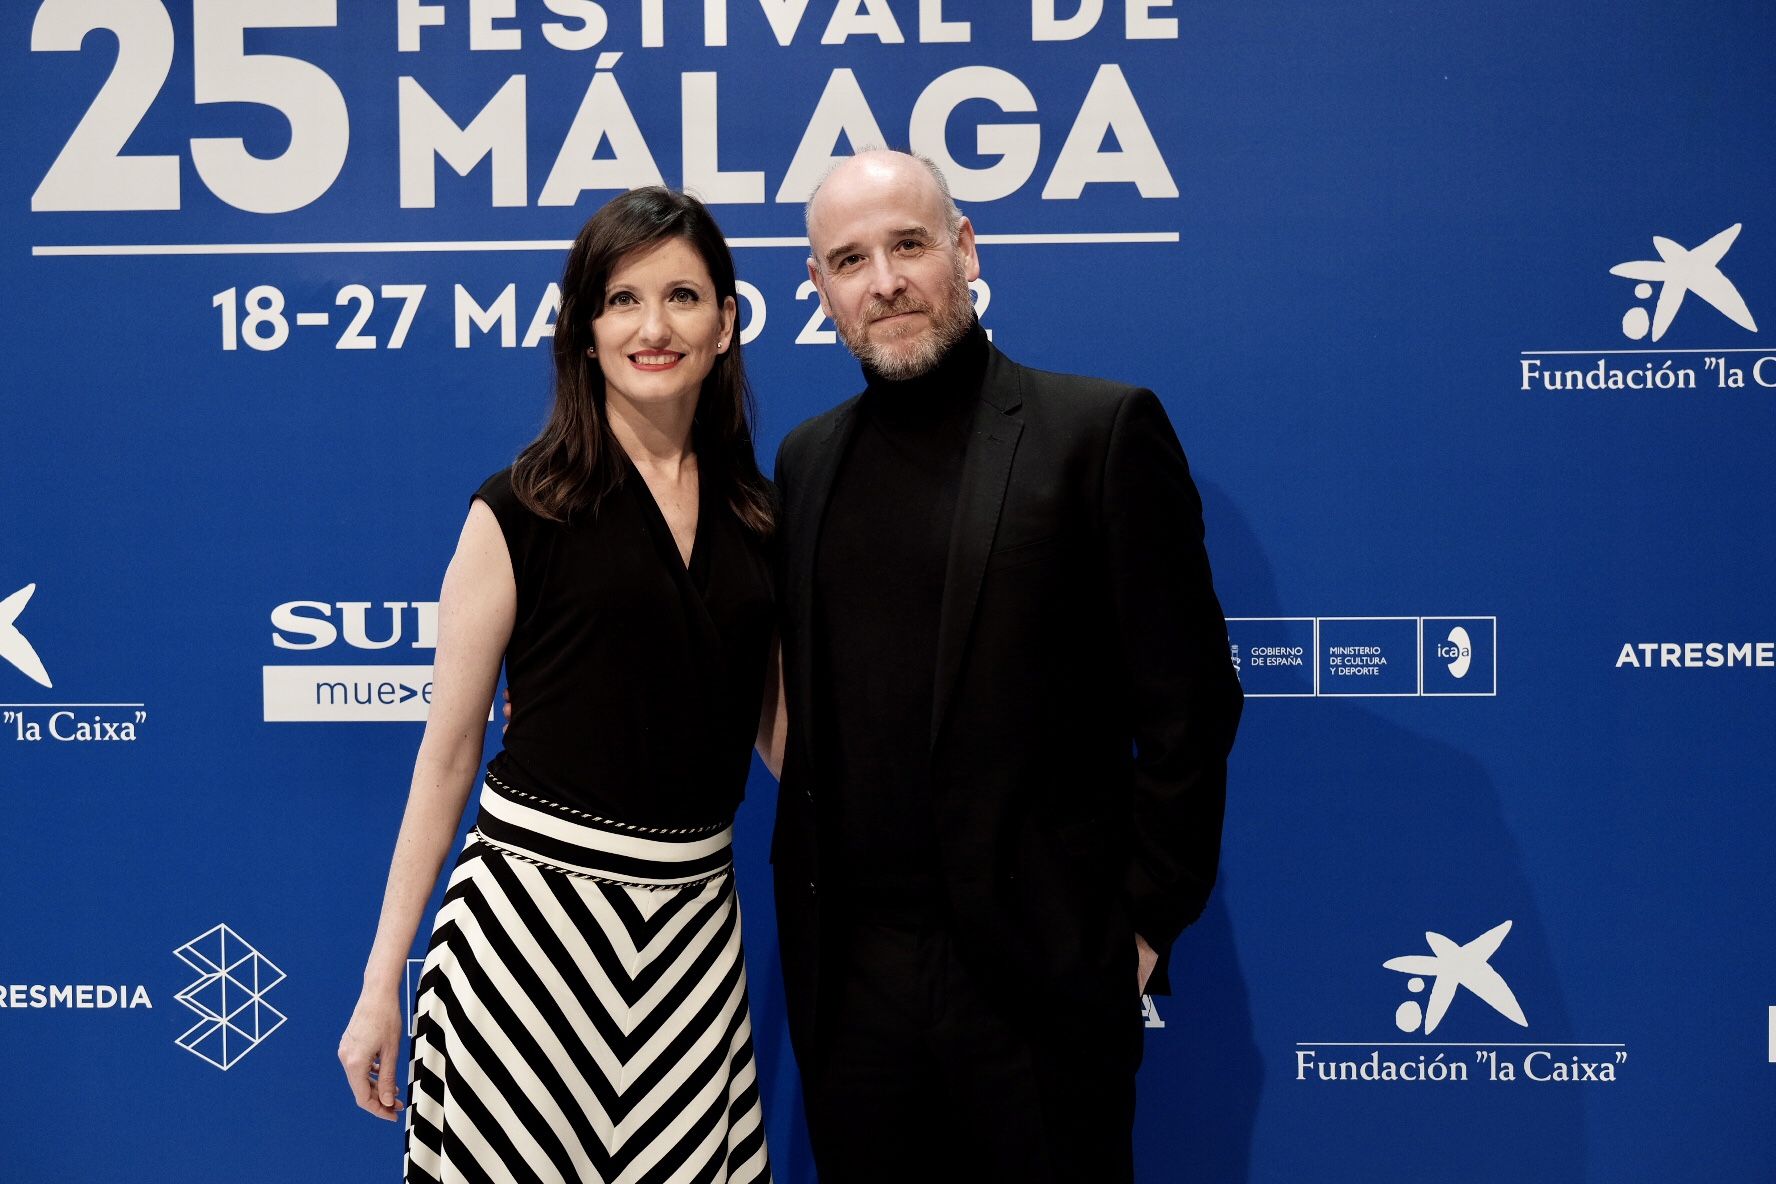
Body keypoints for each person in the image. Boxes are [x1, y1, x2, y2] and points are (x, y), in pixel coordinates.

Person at [769, 149, 1243, 1183]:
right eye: (848, 259)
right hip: (853, 991)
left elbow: (1190, 701)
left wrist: (1143, 922)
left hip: (1041, 980)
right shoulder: (805, 460)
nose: (884, 280)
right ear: (819, 288)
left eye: (907, 244)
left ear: (965, 248)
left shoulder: (1098, 430)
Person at [338, 187, 782, 1184]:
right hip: (527, 941)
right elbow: (448, 752)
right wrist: (381, 984)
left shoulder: (762, 516)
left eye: (683, 295)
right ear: (585, 330)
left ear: (726, 322)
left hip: (693, 940)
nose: (654, 326)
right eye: (623, 299)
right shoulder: (516, 509)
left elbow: (786, 734)